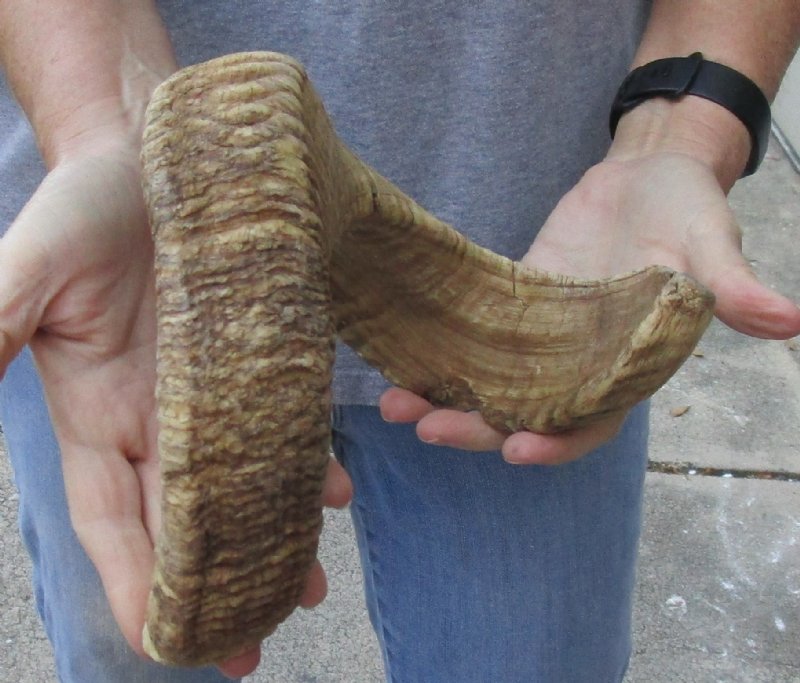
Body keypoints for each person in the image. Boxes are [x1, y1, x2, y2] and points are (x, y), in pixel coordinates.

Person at [1, 2, 799, 681]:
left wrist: (684, 120)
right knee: (135, 648)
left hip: (548, 240)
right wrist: (104, 117)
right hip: (131, 278)